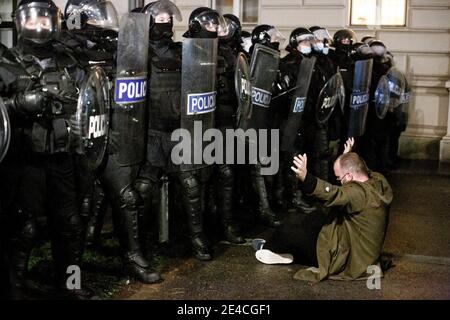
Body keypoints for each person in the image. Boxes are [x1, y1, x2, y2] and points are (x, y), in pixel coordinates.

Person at [1, 0, 94, 299]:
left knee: (71, 225)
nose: (40, 26)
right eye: (33, 20)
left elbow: (90, 102)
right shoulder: (6, 62)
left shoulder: (70, 61)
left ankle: (71, 284)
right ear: (20, 23)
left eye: (45, 20)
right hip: (25, 160)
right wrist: (16, 104)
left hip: (64, 156)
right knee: (25, 229)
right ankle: (13, 290)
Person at [254, 138, 393, 283]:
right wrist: (347, 155)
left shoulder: (357, 194)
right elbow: (359, 166)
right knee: (316, 217)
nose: (339, 181)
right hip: (361, 252)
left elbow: (334, 193)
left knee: (286, 230)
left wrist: (306, 178)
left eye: (339, 178)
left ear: (350, 176)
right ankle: (292, 251)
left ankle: (267, 247)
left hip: (348, 259)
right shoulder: (379, 182)